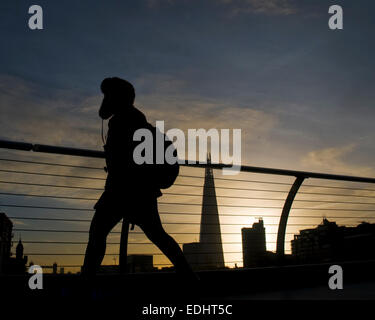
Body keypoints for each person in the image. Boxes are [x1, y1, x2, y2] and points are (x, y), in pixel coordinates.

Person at [82, 77, 197, 280]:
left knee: (97, 235)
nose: (105, 100)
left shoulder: (121, 122)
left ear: (116, 98)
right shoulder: (138, 121)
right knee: (158, 236)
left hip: (122, 190)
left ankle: (85, 283)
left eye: (108, 95)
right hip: (142, 191)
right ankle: (189, 277)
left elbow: (121, 160)